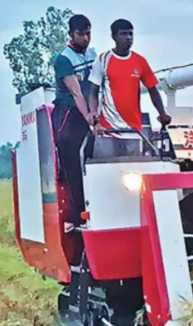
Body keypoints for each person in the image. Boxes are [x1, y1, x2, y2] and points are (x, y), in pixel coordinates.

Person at [88, 19, 171, 157]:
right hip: (108, 132)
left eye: (130, 34)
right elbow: (93, 93)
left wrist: (162, 113)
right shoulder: (103, 60)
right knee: (106, 172)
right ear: (114, 37)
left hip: (134, 132)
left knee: (135, 174)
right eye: (123, 34)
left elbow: (153, 90)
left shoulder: (140, 61)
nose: (128, 38)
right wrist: (95, 119)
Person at [52, 14, 97, 233]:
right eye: (81, 34)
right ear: (71, 34)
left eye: (88, 33)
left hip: (89, 110)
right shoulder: (63, 59)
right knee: (71, 159)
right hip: (68, 112)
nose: (85, 38)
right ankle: (75, 215)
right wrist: (89, 118)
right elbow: (77, 92)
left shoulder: (94, 54)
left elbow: (98, 86)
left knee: (95, 158)